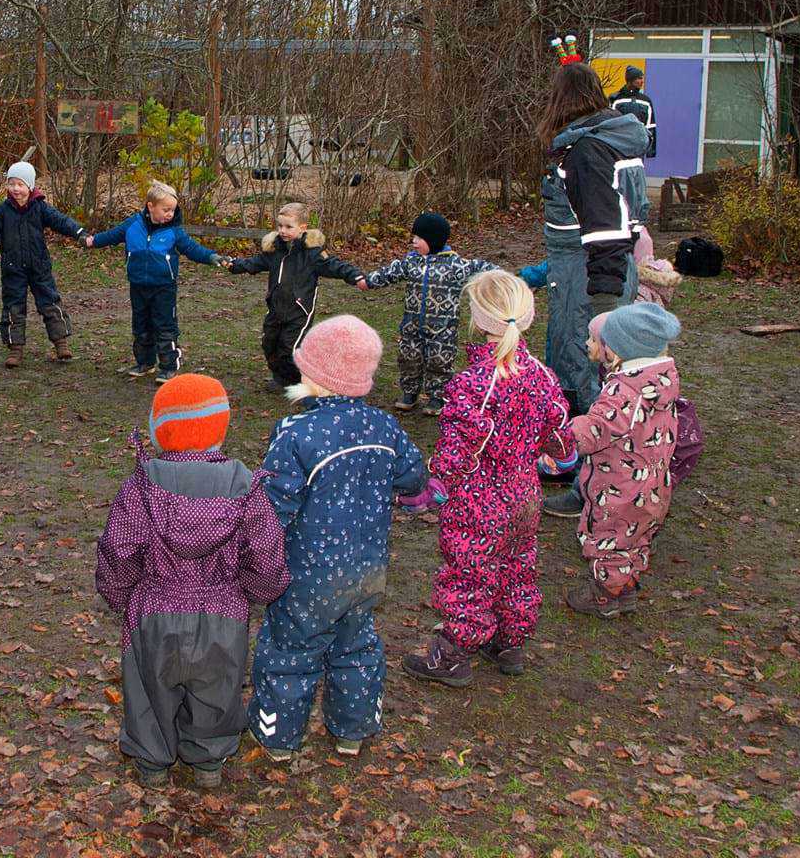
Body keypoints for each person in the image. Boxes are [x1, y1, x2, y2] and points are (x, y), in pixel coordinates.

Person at [96, 374, 290, 789]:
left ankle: (152, 761)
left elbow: (120, 548)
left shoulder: (142, 487)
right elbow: (267, 554)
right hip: (223, 612)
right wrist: (257, 592)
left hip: (155, 611)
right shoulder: (245, 488)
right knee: (217, 690)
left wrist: (118, 593)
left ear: (160, 430)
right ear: (219, 430)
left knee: (150, 689)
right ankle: (208, 762)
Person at [248, 316, 427, 762]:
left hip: (307, 575)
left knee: (291, 650)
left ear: (313, 374)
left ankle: (278, 738)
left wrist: (252, 550)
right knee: (357, 646)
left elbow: (271, 506)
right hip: (367, 570)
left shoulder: (296, 434)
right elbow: (413, 477)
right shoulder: (385, 428)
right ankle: (353, 730)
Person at [401, 271, 573, 686]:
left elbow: (459, 448)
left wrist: (432, 489)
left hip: (479, 502)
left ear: (476, 320)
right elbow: (560, 438)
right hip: (525, 497)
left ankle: (454, 652)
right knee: (517, 565)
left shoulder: (474, 383)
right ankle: (510, 640)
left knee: (469, 572)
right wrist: (553, 452)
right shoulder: (542, 375)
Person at [535, 60, 650, 518]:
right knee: (582, 371)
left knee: (586, 374)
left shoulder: (586, 151)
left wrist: (602, 308)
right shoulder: (611, 140)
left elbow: (602, 228)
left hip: (591, 278)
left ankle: (594, 484)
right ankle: (577, 462)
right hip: (596, 270)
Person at [566, 302, 683, 619]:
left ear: (617, 348)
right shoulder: (660, 380)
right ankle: (626, 589)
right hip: (651, 483)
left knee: (608, 540)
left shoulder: (624, 391)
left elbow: (596, 431)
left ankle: (605, 595)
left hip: (618, 485)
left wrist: (564, 432)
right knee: (634, 538)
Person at [358, 212, 497, 415]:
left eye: (419, 238)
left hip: (443, 329)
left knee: (439, 361)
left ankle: (437, 396)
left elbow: (485, 269)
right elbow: (390, 272)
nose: (413, 242)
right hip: (411, 325)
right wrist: (368, 281)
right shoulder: (412, 262)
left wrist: (505, 280)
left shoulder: (455, 265)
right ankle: (409, 393)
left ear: (433, 240)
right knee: (408, 357)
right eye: (413, 237)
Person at [86, 180, 224, 383]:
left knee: (165, 325)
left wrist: (211, 257)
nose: (170, 214)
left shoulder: (174, 231)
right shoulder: (133, 224)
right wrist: (93, 241)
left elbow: (192, 249)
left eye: (173, 210)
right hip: (138, 286)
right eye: (165, 209)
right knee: (140, 325)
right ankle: (145, 362)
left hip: (164, 288)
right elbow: (112, 235)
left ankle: (168, 367)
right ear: (151, 206)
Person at [224, 202, 364, 392]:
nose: (283, 230)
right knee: (269, 344)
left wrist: (355, 275)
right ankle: (282, 378)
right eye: (280, 226)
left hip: (299, 311)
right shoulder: (275, 251)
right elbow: (254, 263)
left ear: (302, 228)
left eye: (289, 227)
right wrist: (234, 265)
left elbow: (335, 266)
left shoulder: (312, 254)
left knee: (290, 349)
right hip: (275, 309)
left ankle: (300, 378)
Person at [0, 161, 88, 368]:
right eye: (11, 184)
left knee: (50, 303)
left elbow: (61, 221)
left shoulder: (40, 207)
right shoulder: (1, 212)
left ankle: (60, 343)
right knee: (13, 307)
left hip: (39, 267)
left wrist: (79, 233)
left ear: (30, 186)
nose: (15, 189)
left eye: (20, 184)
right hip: (13, 268)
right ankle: (15, 349)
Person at [609, 65, 657, 157]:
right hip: (619, 146)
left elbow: (651, 126)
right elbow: (610, 123)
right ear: (630, 80)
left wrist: (651, 150)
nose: (642, 81)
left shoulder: (646, 100)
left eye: (642, 78)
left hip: (638, 147)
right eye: (639, 78)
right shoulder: (615, 99)